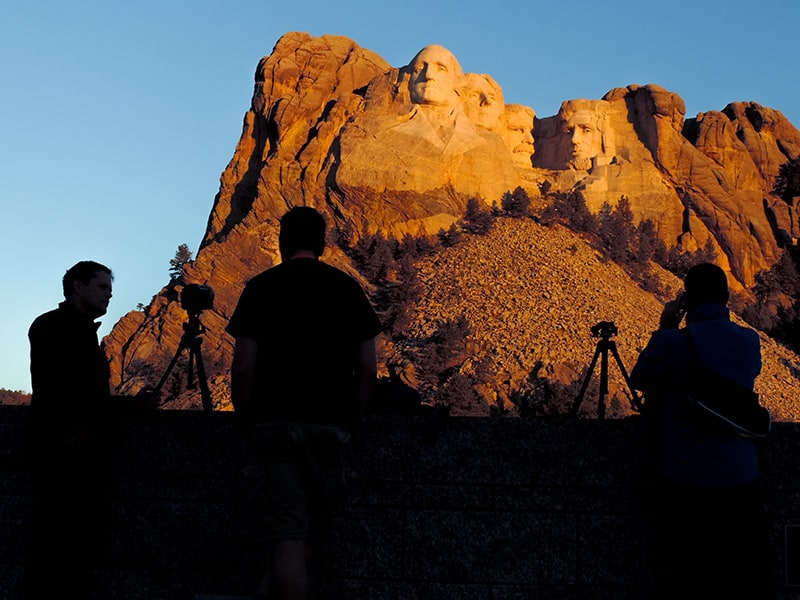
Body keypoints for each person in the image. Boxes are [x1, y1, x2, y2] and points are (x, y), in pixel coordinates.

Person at [227, 207, 383, 599]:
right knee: (315, 528)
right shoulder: (347, 288)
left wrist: (246, 420)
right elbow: (367, 370)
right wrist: (354, 421)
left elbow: (243, 368)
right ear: (322, 243)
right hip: (331, 425)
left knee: (287, 532)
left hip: (274, 424)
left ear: (282, 243)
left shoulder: (261, 287)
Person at [630, 263, 774, 598]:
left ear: (687, 300)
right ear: (726, 298)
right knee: (743, 579)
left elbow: (639, 378)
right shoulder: (748, 340)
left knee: (686, 579)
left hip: (685, 477)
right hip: (740, 476)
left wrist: (666, 326)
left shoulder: (673, 343)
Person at [22, 260, 115, 599]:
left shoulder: (61, 327)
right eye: (102, 287)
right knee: (61, 554)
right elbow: (71, 393)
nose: (109, 294)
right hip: (66, 453)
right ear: (78, 285)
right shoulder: (59, 328)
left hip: (65, 449)